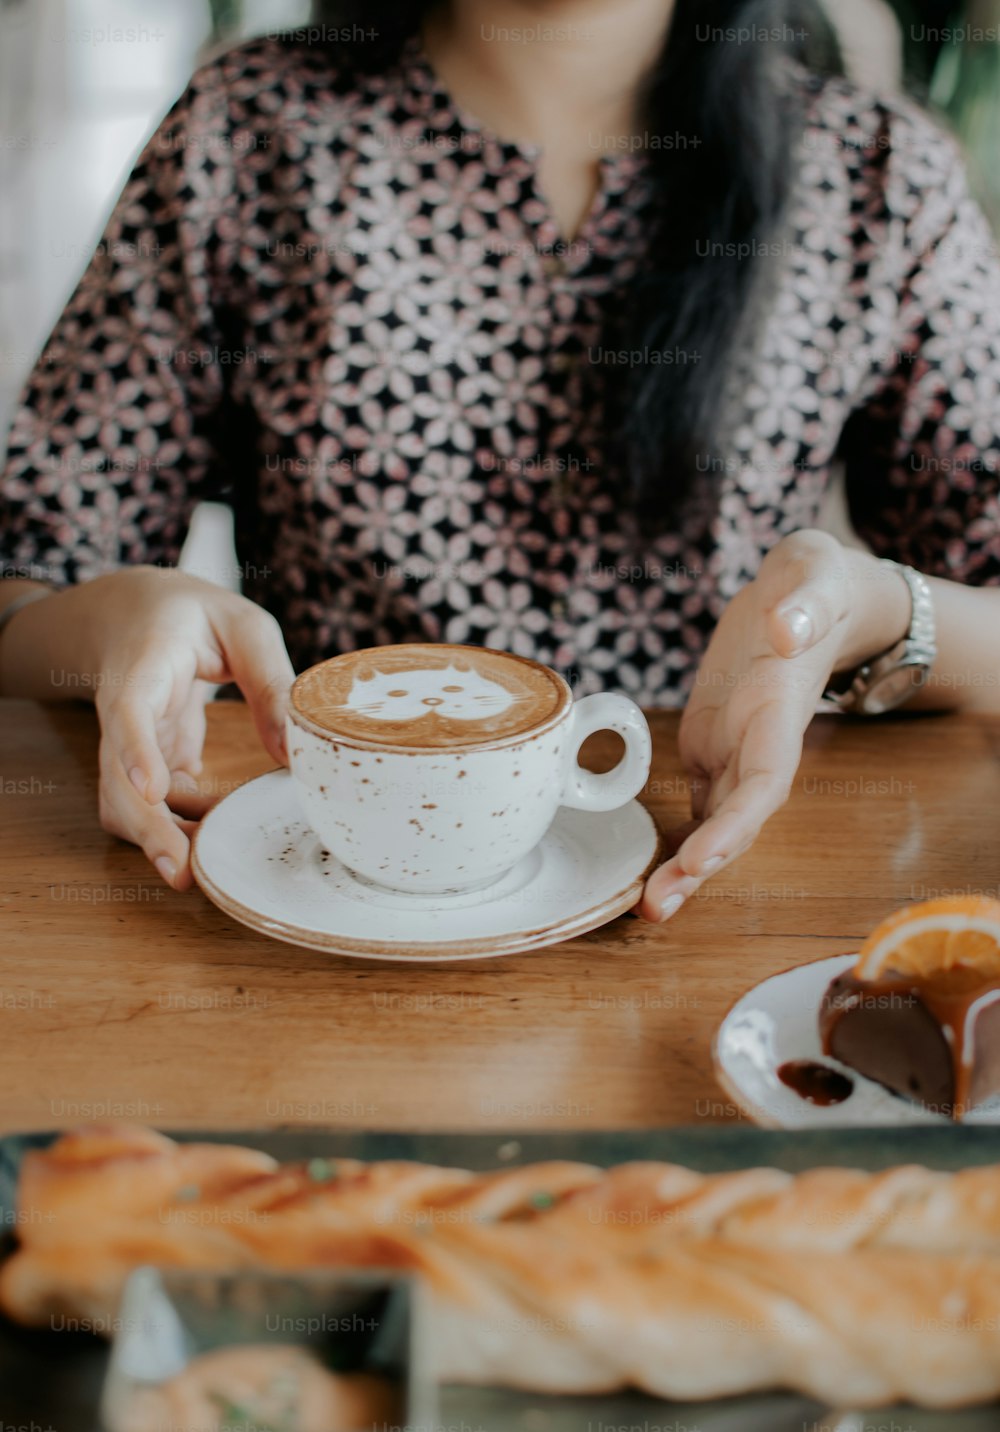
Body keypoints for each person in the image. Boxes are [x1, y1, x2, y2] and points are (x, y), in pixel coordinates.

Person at [1, 0, 998, 923]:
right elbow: (27, 572)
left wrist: (866, 610)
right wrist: (116, 619)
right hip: (328, 909)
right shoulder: (248, 133)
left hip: (721, 905)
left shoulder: (877, 177)